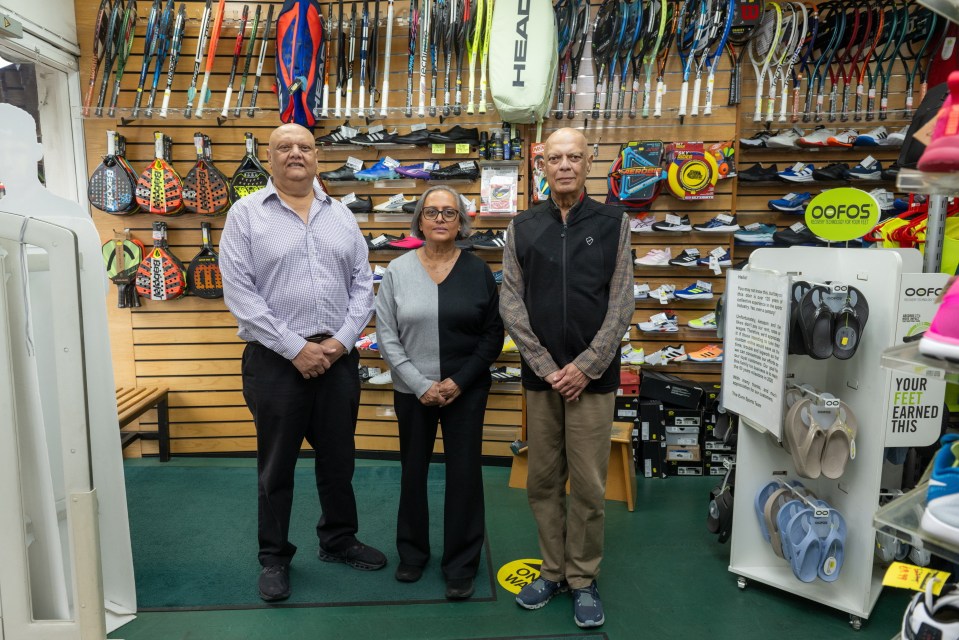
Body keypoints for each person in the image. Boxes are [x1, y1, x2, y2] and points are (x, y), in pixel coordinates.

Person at [219, 123, 386, 603]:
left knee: (338, 459)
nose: (296, 153)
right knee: (277, 465)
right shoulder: (245, 215)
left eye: (305, 147)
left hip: (337, 356)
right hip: (275, 361)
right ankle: (274, 556)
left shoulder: (342, 216)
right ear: (269, 159)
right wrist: (296, 348)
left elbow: (361, 284)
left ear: (317, 156)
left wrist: (339, 343)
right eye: (285, 147)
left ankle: (338, 538)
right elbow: (240, 294)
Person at [500, 127, 633, 628]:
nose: (564, 166)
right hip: (543, 379)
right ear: (542, 164)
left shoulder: (614, 222)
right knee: (542, 481)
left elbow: (622, 302)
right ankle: (551, 570)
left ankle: (582, 578)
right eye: (555, 158)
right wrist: (548, 367)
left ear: (589, 161)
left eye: (574, 157)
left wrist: (585, 366)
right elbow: (511, 302)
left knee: (590, 487)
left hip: (592, 381)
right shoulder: (522, 226)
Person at [374, 185, 503, 600]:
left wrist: (457, 382)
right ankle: (412, 555)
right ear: (420, 221)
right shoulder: (397, 270)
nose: (441, 219)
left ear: (462, 221)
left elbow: (492, 334)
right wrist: (420, 384)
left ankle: (461, 563)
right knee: (413, 471)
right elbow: (386, 335)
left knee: (464, 475)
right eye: (432, 212)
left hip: (465, 390)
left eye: (450, 212)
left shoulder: (478, 270)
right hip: (413, 391)